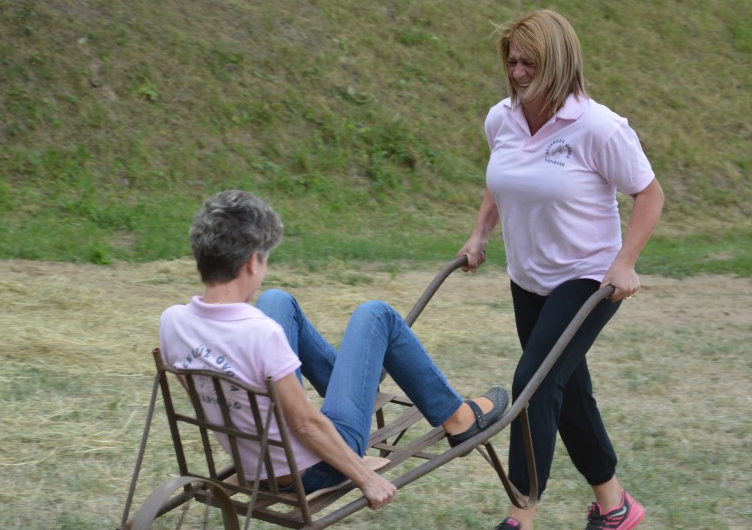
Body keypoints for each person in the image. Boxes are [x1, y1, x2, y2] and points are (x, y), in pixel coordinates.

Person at [457, 9, 665, 530]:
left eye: (530, 62)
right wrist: (479, 234)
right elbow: (502, 179)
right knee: (566, 391)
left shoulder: (598, 127)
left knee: (532, 385)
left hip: (587, 278)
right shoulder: (501, 119)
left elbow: (649, 195)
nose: (518, 72)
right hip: (528, 278)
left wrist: (625, 263)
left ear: (559, 62)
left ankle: (517, 529)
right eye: (512, 62)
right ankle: (615, 506)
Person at [160, 190, 511, 510]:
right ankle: (458, 418)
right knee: (376, 314)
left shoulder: (172, 322)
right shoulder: (260, 334)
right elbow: (303, 423)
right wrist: (366, 478)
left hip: (255, 459)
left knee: (276, 299)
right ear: (252, 262)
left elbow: (211, 401)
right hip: (314, 468)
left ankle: (356, 381)